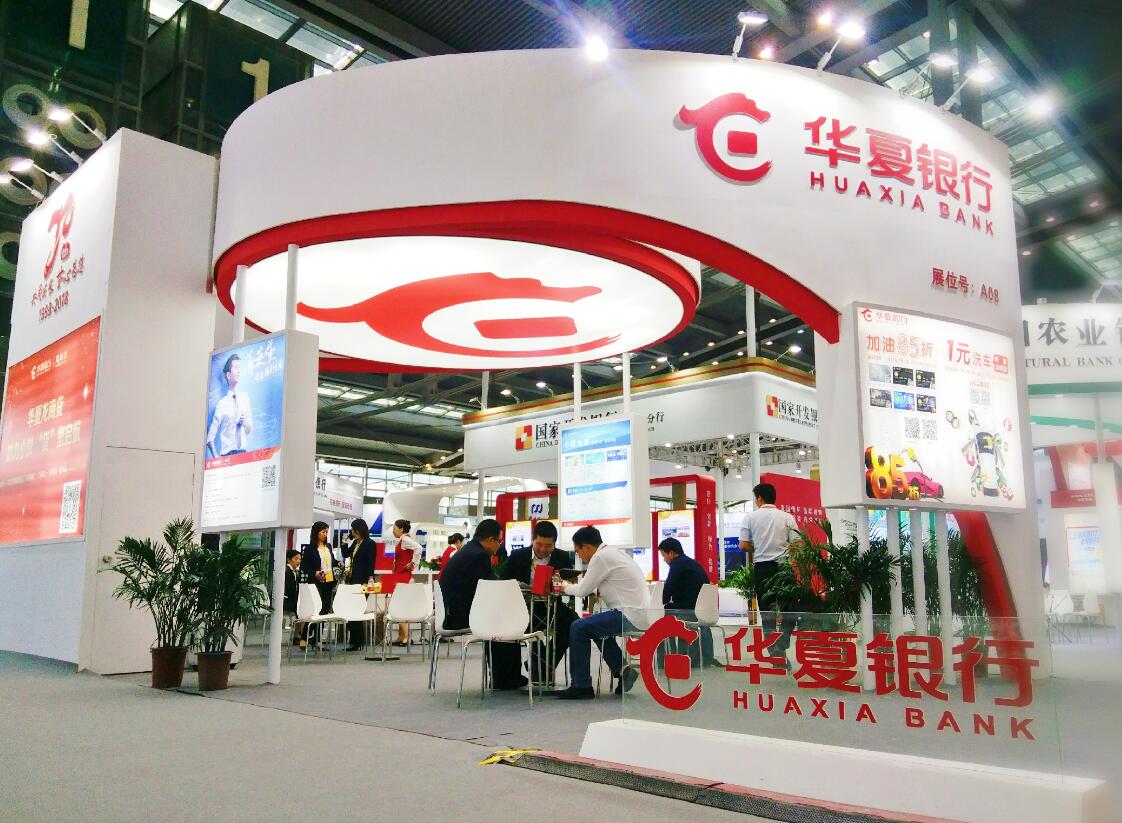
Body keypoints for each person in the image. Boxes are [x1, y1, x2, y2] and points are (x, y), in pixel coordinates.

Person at [553, 526, 649, 700]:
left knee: (578, 627)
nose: (578, 556)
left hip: (629, 614)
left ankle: (581, 685)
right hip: (640, 613)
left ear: (587, 547)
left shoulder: (600, 557)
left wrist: (563, 586)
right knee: (594, 628)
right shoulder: (613, 553)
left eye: (577, 551)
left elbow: (582, 590)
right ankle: (623, 671)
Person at [439, 519, 527, 691]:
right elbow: (492, 586)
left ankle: (504, 676)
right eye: (499, 541)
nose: (499, 546)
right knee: (506, 621)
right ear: (490, 540)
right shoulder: (479, 556)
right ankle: (506, 678)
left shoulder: (468, 551)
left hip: (453, 612)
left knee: (500, 619)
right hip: (461, 616)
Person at [501, 520, 576, 680]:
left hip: (551, 606)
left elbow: (569, 581)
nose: (543, 549)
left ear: (554, 544)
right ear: (533, 540)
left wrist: (564, 584)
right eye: (539, 544)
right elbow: (503, 580)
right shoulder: (518, 556)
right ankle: (542, 668)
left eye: (548, 546)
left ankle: (543, 665)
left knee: (574, 624)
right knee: (532, 627)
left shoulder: (562, 557)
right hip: (524, 607)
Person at [740, 482, 799, 667]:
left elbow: (743, 545)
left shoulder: (750, 517)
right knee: (790, 609)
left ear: (759, 498)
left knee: (767, 614)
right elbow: (798, 544)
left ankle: (776, 655)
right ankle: (783, 642)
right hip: (784, 568)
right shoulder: (787, 517)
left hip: (762, 569)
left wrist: (758, 548)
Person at [658, 537, 714, 665]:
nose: (664, 560)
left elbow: (666, 593)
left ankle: (667, 658)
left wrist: (659, 603)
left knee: (660, 618)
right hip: (701, 610)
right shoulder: (691, 563)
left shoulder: (677, 564)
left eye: (664, 556)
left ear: (671, 553)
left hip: (688, 611)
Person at [300, 520, 342, 644]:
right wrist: (314, 572)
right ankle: (304, 637)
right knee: (315, 610)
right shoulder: (310, 549)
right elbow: (304, 566)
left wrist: (338, 563)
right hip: (316, 582)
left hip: (329, 581)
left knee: (325, 610)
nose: (325, 534)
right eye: (323, 532)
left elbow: (331, 561)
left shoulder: (328, 546)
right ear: (316, 533)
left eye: (326, 532)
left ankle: (317, 638)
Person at [205, 353, 252, 458]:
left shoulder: (245, 398)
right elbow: (210, 438)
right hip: (227, 456)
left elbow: (249, 430)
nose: (239, 371)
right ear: (228, 375)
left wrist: (244, 422)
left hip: (244, 455)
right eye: (236, 368)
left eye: (239, 368)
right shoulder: (222, 404)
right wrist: (216, 459)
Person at [388, 519, 424, 646]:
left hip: (404, 576)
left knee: (401, 606)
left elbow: (419, 548)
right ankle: (401, 636)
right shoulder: (402, 540)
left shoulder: (405, 539)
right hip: (400, 575)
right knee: (400, 605)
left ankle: (406, 637)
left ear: (401, 529)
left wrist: (413, 563)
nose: (393, 531)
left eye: (394, 528)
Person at [346, 518, 377, 651]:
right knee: (353, 609)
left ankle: (357, 641)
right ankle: (355, 640)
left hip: (363, 581)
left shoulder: (369, 543)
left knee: (357, 609)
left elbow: (371, 562)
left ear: (360, 530)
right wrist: (345, 542)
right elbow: (346, 554)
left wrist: (368, 579)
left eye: (354, 530)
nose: (352, 533)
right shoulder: (355, 543)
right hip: (353, 580)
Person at [283, 549, 306, 648]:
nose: (298, 561)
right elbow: (290, 590)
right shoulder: (288, 572)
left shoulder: (292, 571)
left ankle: (298, 635)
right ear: (289, 559)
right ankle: (301, 636)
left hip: (290, 599)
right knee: (304, 610)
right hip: (286, 601)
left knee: (302, 608)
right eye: (296, 558)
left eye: (300, 559)